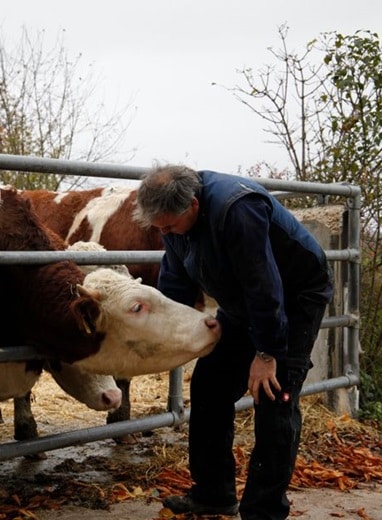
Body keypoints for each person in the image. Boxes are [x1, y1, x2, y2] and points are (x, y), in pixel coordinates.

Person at [133, 164, 334, 519]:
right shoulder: (175, 220)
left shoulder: (238, 210)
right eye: (160, 228)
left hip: (294, 295)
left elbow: (264, 285)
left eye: (168, 226)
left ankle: (263, 511)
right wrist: (167, 333)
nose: (165, 233)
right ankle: (214, 494)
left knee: (274, 396)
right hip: (244, 298)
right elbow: (176, 281)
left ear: (193, 206)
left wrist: (267, 352)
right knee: (210, 384)